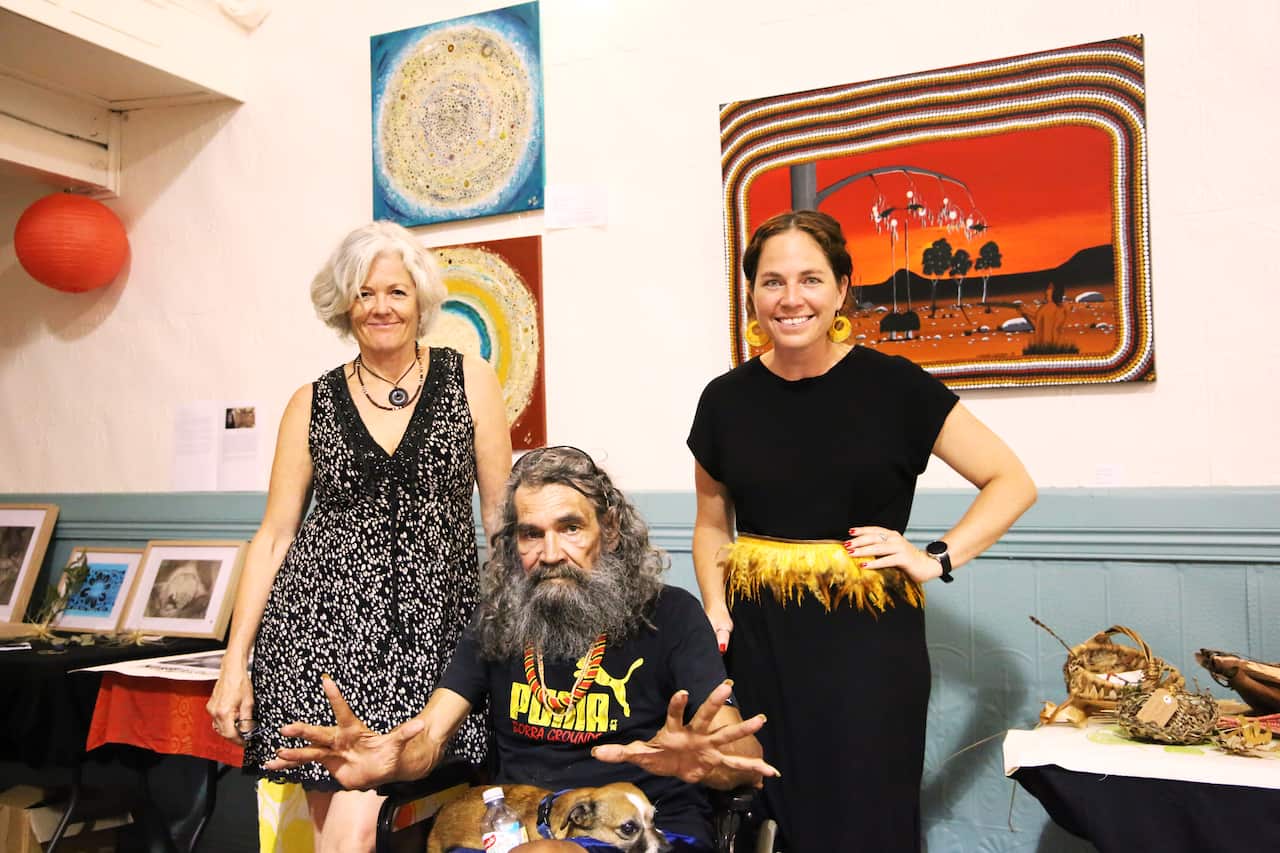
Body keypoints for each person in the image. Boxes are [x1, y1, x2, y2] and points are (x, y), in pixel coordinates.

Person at [688, 210, 1036, 852]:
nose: (791, 299)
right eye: (772, 282)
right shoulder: (724, 400)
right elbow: (712, 525)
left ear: (843, 288)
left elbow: (1011, 481)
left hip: (867, 647)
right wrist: (714, 608)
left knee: (862, 816)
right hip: (758, 640)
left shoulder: (895, 387)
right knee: (765, 810)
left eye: (810, 279)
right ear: (752, 295)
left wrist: (935, 556)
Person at [266, 446, 779, 851]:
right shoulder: (497, 619)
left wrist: (705, 764)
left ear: (612, 529)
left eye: (571, 528)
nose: (551, 553)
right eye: (531, 534)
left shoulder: (671, 615)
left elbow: (744, 756)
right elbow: (428, 737)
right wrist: (393, 763)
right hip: (516, 828)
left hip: (646, 830)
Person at [207, 221, 513, 851]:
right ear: (343, 304)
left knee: (402, 823)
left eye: (397, 292)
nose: (381, 307)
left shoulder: (469, 380)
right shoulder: (310, 403)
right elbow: (273, 537)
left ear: (422, 301)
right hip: (321, 640)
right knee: (346, 824)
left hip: (439, 635)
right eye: (365, 292)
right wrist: (233, 664)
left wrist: (518, 624)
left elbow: (500, 518)